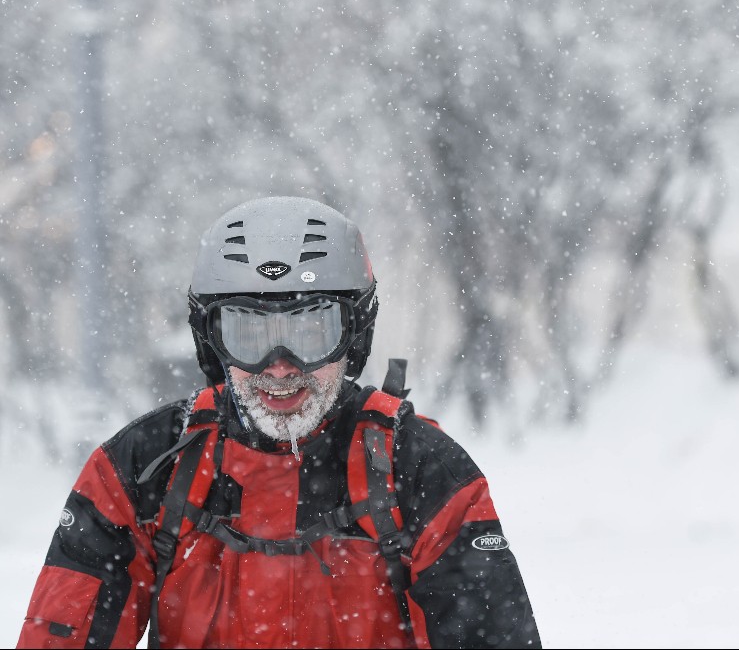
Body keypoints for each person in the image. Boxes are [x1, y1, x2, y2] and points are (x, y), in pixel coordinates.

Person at [18, 196, 541, 649]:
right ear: (210, 341)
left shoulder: (421, 468)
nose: (280, 367)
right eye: (248, 334)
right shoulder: (142, 467)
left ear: (354, 334)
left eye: (312, 330)